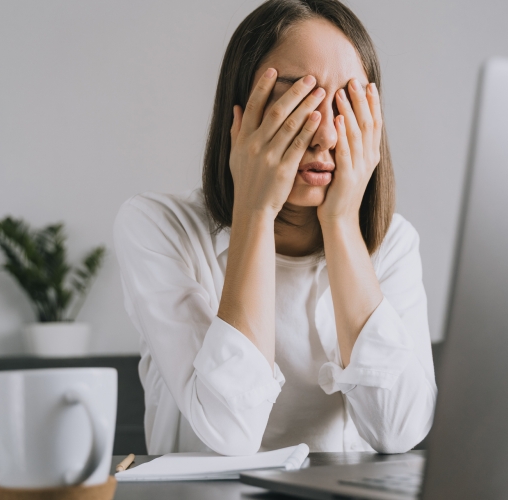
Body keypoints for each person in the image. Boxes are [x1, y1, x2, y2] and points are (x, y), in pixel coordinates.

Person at [113, 0, 436, 456]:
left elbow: (399, 432)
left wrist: (342, 223)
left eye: (347, 101)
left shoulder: (393, 245)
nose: (324, 135)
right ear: (240, 110)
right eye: (299, 99)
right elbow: (230, 433)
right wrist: (254, 211)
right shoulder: (157, 229)